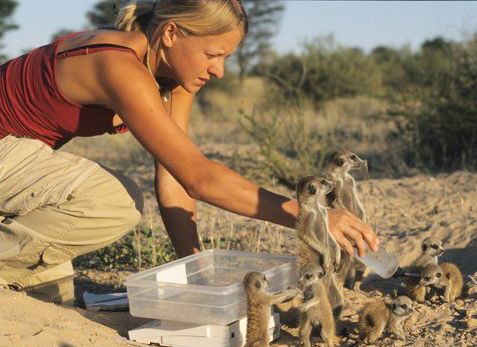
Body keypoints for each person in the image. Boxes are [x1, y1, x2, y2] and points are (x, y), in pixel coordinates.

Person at [0, 0, 378, 305]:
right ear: (170, 33)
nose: (220, 71)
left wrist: (195, 270)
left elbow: (176, 177)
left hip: (17, 156)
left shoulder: (172, 77)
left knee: (49, 300)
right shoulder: (117, 64)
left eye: (227, 57)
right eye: (213, 54)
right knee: (115, 200)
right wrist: (312, 216)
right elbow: (200, 177)